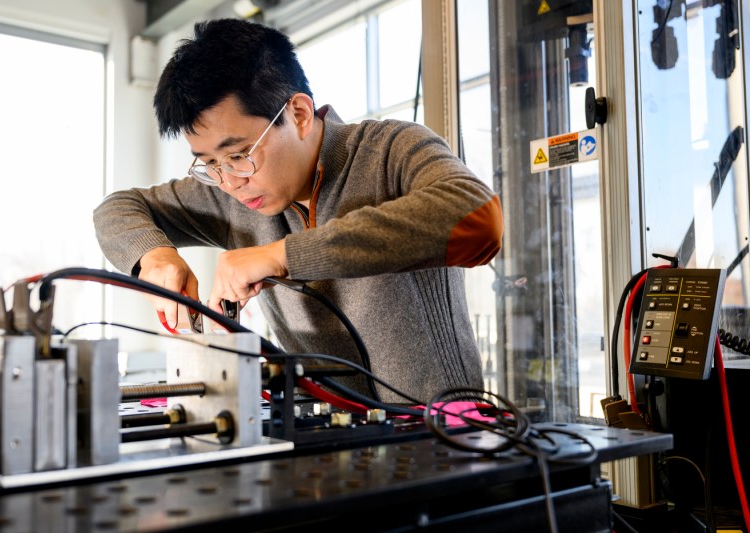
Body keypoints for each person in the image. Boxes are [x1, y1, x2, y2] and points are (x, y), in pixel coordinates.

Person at [93, 17, 503, 404]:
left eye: (238, 154)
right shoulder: (228, 194)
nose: (229, 181)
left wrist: (282, 256)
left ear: (298, 113)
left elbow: (478, 217)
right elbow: (117, 209)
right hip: (322, 439)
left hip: (440, 432)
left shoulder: (391, 150)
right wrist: (155, 256)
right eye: (209, 163)